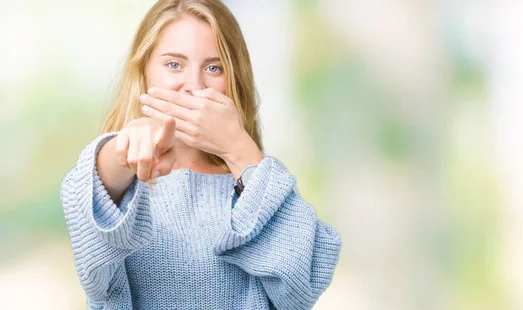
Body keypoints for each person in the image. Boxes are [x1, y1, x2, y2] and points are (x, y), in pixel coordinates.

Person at [58, 0, 342, 309]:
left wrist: (239, 149)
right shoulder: (118, 182)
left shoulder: (257, 187)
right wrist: (122, 151)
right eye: (174, 64)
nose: (194, 86)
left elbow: (301, 290)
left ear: (234, 79)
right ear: (143, 72)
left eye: (213, 67)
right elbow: (91, 244)